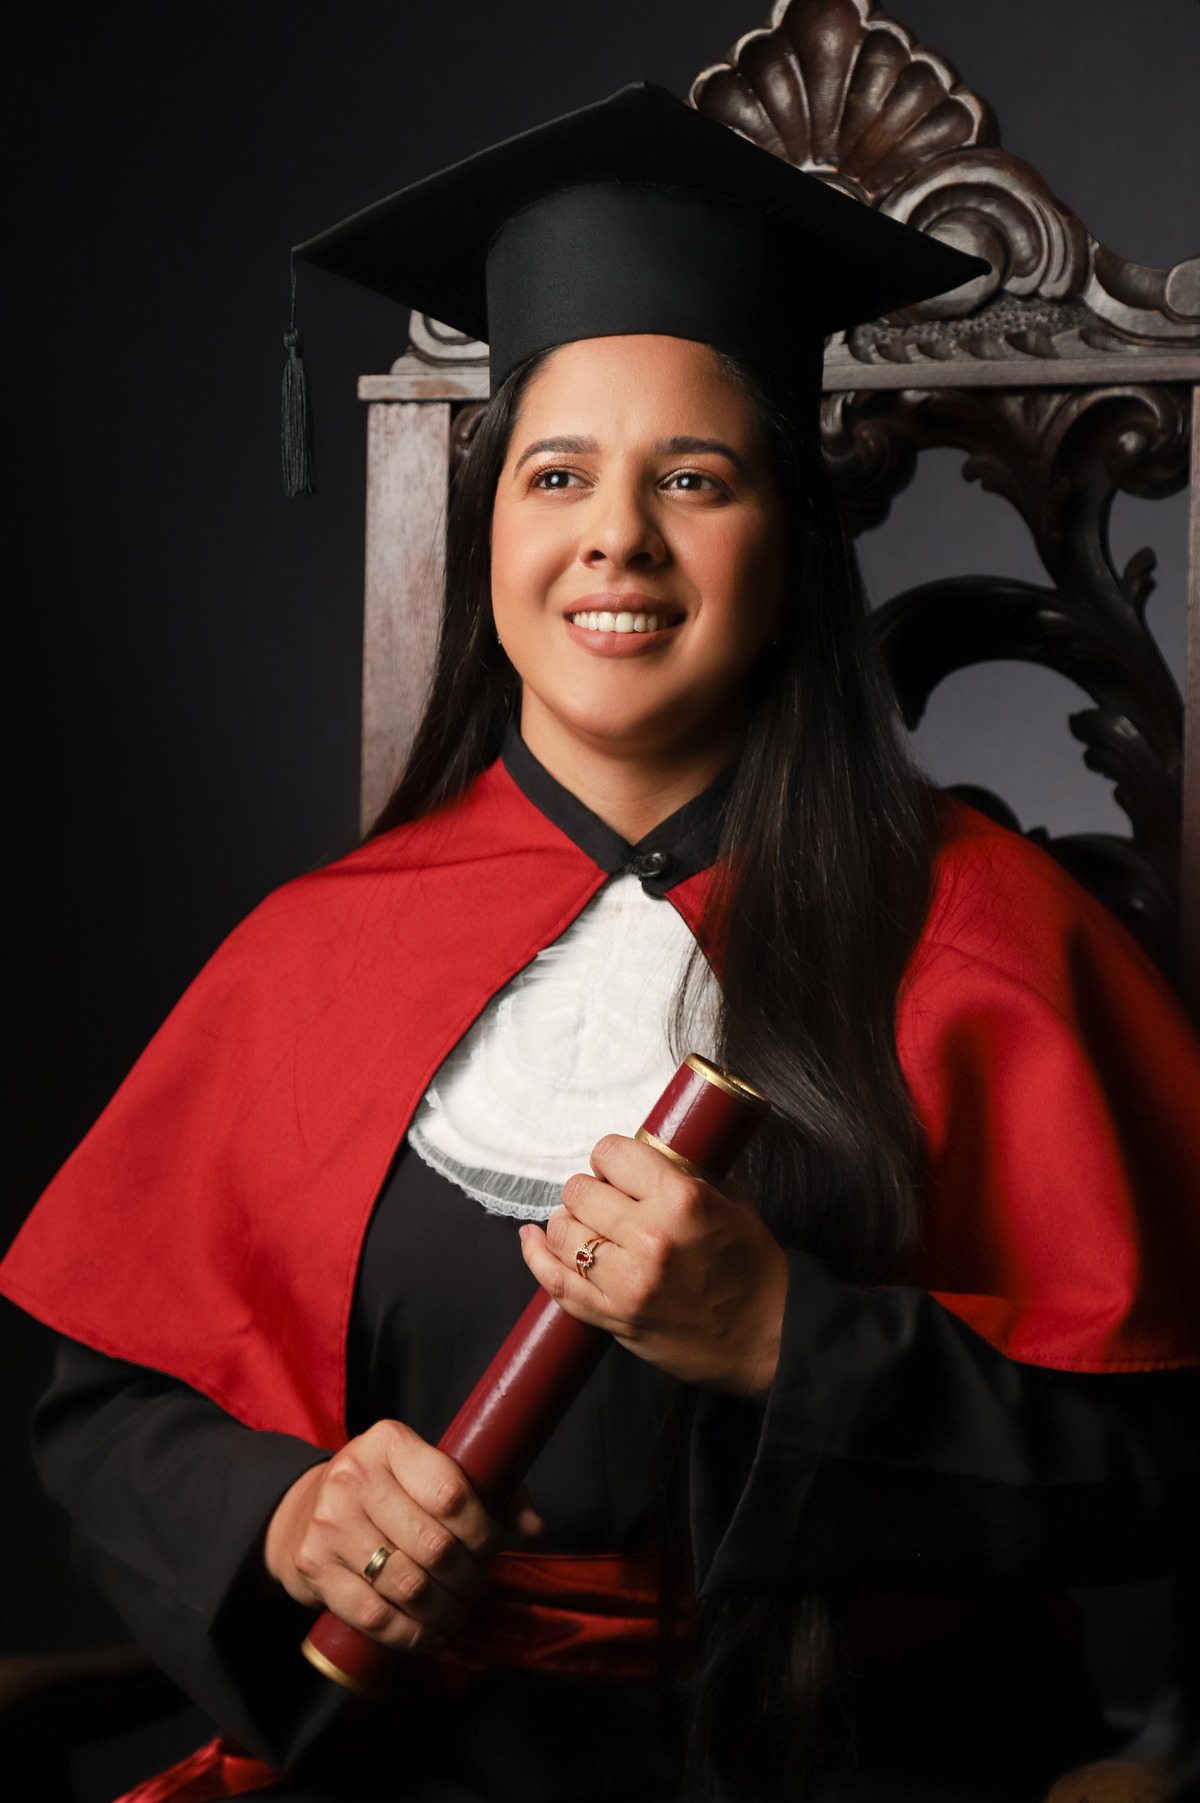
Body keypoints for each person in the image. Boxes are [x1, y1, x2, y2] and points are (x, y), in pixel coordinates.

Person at [4, 84, 1200, 1803]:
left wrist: (789, 1341)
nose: (615, 538)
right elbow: (106, 1417)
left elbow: (1159, 1450)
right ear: (491, 527)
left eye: (693, 478)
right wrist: (286, 1516)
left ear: (790, 538)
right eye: (556, 474)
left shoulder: (992, 934)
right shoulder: (310, 952)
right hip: (415, 1767)